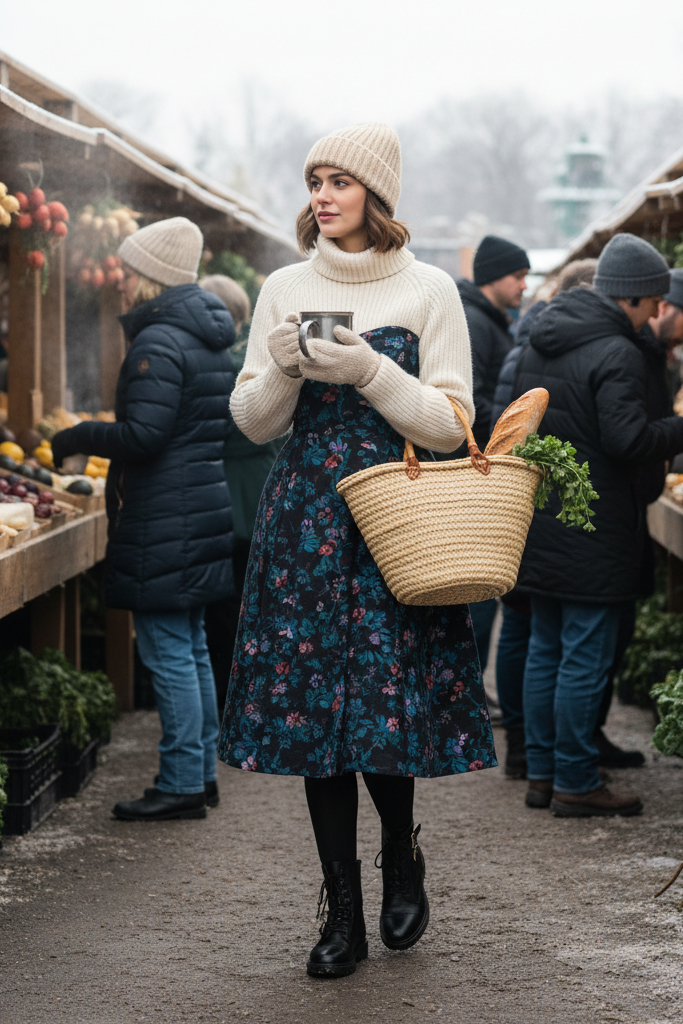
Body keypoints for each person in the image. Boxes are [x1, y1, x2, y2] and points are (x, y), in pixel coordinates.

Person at [218, 123, 496, 978]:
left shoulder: (428, 291)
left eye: (340, 181)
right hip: (304, 521)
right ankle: (339, 907)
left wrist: (369, 372)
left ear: (377, 195)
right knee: (315, 720)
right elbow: (253, 421)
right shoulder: (283, 285)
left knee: (384, 707)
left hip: (393, 523)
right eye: (314, 181)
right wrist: (285, 369)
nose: (322, 196)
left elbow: (452, 429)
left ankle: (399, 860)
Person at [51, 218, 236, 822]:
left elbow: (146, 434)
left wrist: (79, 434)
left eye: (130, 269)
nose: (121, 280)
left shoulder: (159, 341)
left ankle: (182, 780)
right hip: (196, 507)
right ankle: (199, 772)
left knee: (168, 653)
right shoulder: (203, 335)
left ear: (152, 275)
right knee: (190, 650)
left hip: (165, 515)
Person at [512, 232, 683, 817]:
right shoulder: (618, 352)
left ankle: (541, 774)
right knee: (584, 655)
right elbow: (628, 439)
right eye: (654, 300)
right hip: (596, 525)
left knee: (546, 648)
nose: (658, 312)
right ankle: (577, 782)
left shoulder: (543, 340)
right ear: (635, 298)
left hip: (543, 515)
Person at [492, 258, 598, 778]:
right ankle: (547, 759)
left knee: (530, 633)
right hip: (541, 508)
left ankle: (527, 754)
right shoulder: (583, 348)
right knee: (534, 632)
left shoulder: (527, 341)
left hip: (526, 506)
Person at [199, 274, 286, 708]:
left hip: (231, 497)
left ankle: (233, 703)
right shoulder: (263, 354)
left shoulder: (223, 363)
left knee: (226, 614)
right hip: (264, 493)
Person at [457, 236, 530, 674]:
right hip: (473, 473)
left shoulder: (492, 320)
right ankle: (467, 698)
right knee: (478, 594)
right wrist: (507, 428)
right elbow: (467, 398)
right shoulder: (473, 323)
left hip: (484, 471)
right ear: (493, 278)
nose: (524, 285)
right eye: (518, 276)